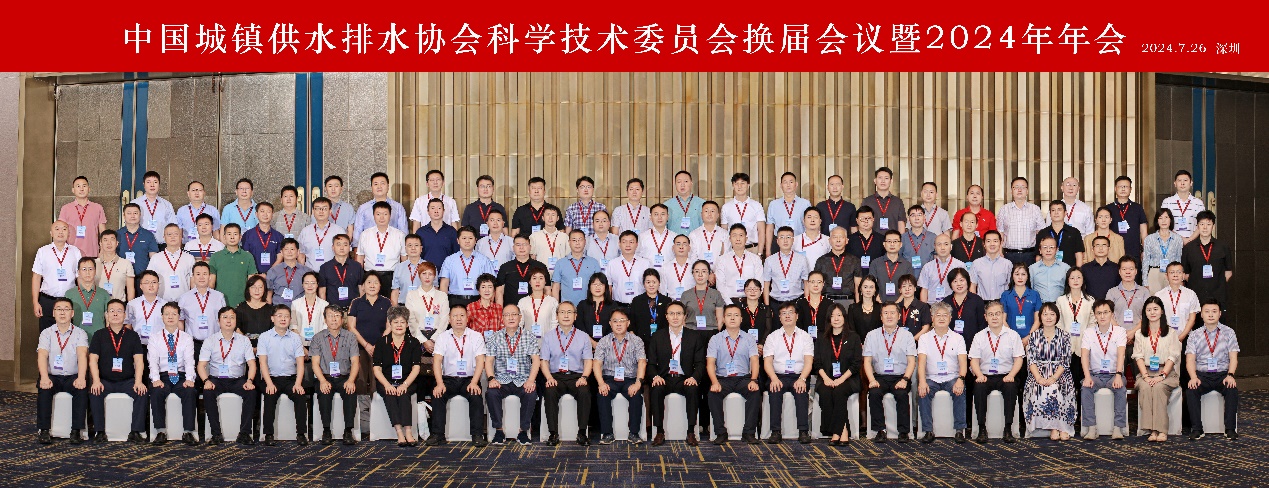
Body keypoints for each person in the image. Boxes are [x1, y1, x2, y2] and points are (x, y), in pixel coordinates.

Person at [426, 305, 489, 447]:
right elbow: (437, 361)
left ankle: (477, 435)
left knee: (475, 396)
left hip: (469, 379)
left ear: (467, 318)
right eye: (455, 316)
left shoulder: (476, 336)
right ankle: (437, 434)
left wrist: (475, 382)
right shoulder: (442, 337)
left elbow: (480, 361)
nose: (458, 319)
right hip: (448, 379)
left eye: (462, 315)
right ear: (449, 319)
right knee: (438, 394)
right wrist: (439, 383)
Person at [647, 301, 707, 446]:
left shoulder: (694, 336)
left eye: (679, 314)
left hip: (685, 378)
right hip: (664, 378)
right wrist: (655, 376)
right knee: (656, 389)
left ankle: (691, 432)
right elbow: (651, 364)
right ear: (666, 316)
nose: (675, 317)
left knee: (692, 389)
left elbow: (700, 363)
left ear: (684, 316)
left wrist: (694, 377)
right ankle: (659, 432)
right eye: (672, 313)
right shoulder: (657, 336)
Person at [86, 299, 147, 443]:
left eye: (119, 311)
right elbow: (93, 360)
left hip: (127, 381)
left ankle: (136, 431)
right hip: (105, 381)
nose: (115, 314)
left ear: (125, 315)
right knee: (95, 391)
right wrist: (96, 381)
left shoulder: (133, 336)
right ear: (106, 315)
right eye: (112, 311)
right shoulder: (99, 335)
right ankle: (99, 431)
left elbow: (139, 361)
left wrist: (138, 381)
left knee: (142, 392)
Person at [197, 307, 258, 445]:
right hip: (216, 380)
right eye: (225, 317)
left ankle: (244, 433)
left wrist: (249, 380)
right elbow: (201, 366)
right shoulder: (210, 340)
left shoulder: (244, 340)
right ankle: (216, 434)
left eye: (232, 317)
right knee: (208, 392)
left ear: (236, 321)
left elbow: (252, 364)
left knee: (251, 392)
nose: (229, 320)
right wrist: (206, 381)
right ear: (218, 321)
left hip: (238, 380)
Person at [705, 304, 763, 445]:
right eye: (729, 315)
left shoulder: (749, 338)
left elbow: (755, 361)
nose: (732, 318)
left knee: (755, 393)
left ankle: (749, 432)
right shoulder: (715, 339)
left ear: (741, 319)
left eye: (736, 315)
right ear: (723, 319)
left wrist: (753, 380)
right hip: (723, 379)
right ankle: (720, 432)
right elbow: (710, 363)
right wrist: (714, 382)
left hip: (743, 378)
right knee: (712, 395)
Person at [35, 297, 90, 444]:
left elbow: (82, 355)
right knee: (43, 387)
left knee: (81, 389)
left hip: (72, 376)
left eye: (66, 309)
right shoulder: (46, 333)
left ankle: (76, 431)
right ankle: (44, 430)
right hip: (53, 376)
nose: (62, 312)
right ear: (53, 313)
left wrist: (81, 377)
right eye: (59, 309)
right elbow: (42, 355)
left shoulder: (80, 333)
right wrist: (44, 377)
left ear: (72, 313)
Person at [483, 303, 539, 446]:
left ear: (520, 317)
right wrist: (491, 378)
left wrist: (531, 380)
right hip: (502, 380)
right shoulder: (495, 337)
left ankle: (523, 431)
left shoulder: (529, 336)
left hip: (523, 380)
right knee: (491, 393)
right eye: (507, 315)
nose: (511, 318)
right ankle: (499, 430)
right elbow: (489, 361)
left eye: (514, 314)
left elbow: (536, 360)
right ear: (502, 319)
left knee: (531, 393)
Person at [968, 301, 1024, 443]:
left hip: (1006, 375)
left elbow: (1018, 359)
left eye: (997, 314)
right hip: (985, 376)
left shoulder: (1013, 335)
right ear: (985, 317)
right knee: (979, 388)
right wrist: (979, 375)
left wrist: (1011, 375)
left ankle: (1008, 429)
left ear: (1003, 315)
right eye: (991, 314)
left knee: (1011, 388)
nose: (994, 317)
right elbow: (974, 360)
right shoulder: (979, 336)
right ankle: (982, 429)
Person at [540, 301, 594, 446]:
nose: (566, 315)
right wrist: (549, 378)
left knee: (584, 391)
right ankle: (553, 434)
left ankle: (582, 433)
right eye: (562, 312)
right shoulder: (548, 336)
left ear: (575, 316)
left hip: (577, 376)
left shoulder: (583, 336)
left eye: (569, 312)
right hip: (556, 376)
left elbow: (588, 361)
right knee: (550, 391)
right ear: (556, 316)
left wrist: (584, 377)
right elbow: (543, 361)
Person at [861, 302, 916, 443]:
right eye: (886, 313)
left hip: (900, 376)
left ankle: (903, 431)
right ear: (881, 317)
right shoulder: (872, 335)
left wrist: (905, 379)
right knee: (874, 393)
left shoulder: (907, 335)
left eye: (892, 313)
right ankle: (880, 430)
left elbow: (911, 361)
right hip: (880, 376)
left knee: (901, 394)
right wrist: (872, 380)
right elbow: (867, 361)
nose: (889, 316)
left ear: (899, 316)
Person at [1185, 299, 1239, 440]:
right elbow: (1190, 359)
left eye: (1214, 311)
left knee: (1232, 389)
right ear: (1201, 314)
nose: (1210, 315)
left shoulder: (1229, 332)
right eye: (1207, 311)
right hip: (1202, 375)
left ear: (1220, 313)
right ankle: (1197, 429)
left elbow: (1233, 357)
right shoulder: (1194, 335)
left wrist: (1231, 375)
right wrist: (1193, 377)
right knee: (1191, 390)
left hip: (1222, 375)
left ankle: (1230, 429)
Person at [593, 309, 647, 445]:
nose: (618, 324)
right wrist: (601, 383)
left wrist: (638, 383)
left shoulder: (636, 341)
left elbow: (642, 362)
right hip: (610, 378)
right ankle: (607, 433)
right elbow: (597, 363)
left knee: (636, 395)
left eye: (622, 321)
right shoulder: (604, 341)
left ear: (628, 323)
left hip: (630, 378)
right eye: (615, 321)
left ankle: (634, 433)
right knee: (602, 394)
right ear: (610, 323)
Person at [256, 305, 309, 446]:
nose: (283, 319)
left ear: (290, 319)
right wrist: (269, 383)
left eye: (286, 316)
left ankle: (301, 434)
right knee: (269, 395)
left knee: (300, 396)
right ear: (272, 318)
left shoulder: (295, 338)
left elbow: (300, 364)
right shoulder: (264, 337)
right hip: (271, 378)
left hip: (291, 378)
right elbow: (262, 363)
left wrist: (298, 383)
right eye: (279, 315)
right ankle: (268, 434)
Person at [915, 301, 968, 444]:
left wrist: (960, 379)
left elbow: (963, 363)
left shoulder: (958, 338)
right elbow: (921, 363)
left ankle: (959, 430)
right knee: (923, 392)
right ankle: (928, 431)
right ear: (932, 318)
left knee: (960, 390)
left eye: (945, 315)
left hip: (952, 377)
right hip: (931, 378)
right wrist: (922, 382)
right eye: (938, 315)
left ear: (950, 318)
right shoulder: (924, 338)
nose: (942, 318)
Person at [147, 302, 198, 445]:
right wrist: (155, 379)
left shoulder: (186, 338)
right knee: (156, 391)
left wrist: (189, 379)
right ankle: (160, 431)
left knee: (190, 391)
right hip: (163, 375)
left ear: (179, 317)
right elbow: (153, 361)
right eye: (167, 314)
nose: (170, 317)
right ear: (162, 317)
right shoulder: (154, 338)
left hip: (180, 375)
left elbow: (189, 361)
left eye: (174, 314)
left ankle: (188, 432)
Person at [1024, 302, 1077, 441]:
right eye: (1045, 314)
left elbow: (1065, 361)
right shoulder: (1034, 336)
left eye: (1052, 314)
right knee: (1042, 388)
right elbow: (1031, 361)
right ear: (1040, 317)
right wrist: (1038, 378)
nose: (1048, 317)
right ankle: (1054, 428)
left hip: (1060, 374)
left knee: (1055, 388)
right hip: (1038, 374)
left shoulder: (1064, 336)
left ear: (1057, 317)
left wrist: (1054, 377)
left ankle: (1062, 427)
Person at [372, 306, 423, 446]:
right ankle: (399, 432)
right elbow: (377, 369)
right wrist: (387, 385)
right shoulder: (382, 343)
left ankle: (408, 431)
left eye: (402, 322)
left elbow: (416, 368)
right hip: (386, 381)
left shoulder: (414, 342)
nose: (399, 325)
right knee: (390, 394)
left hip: (407, 381)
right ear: (390, 324)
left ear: (407, 324)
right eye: (395, 322)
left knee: (403, 393)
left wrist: (405, 384)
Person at [1080, 300, 1128, 440]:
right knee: (1085, 388)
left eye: (1106, 312)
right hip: (1095, 375)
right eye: (1099, 313)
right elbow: (1084, 356)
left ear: (1112, 314)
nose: (1102, 316)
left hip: (1114, 374)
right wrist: (1087, 377)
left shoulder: (1120, 331)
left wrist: (1118, 375)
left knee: (1120, 389)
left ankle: (1118, 428)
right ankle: (1091, 428)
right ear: (1094, 315)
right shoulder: (1088, 332)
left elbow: (1121, 354)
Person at [1133, 296, 1179, 442]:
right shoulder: (1139, 334)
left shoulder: (1171, 332)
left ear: (1162, 311)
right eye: (1149, 310)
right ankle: (1152, 430)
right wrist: (1145, 376)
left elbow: (1172, 356)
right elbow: (1138, 357)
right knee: (1146, 387)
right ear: (1145, 313)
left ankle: (1162, 430)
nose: (1152, 312)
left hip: (1167, 373)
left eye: (1155, 309)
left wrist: (1162, 375)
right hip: (1145, 372)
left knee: (1158, 387)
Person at [816, 303, 863, 445]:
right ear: (828, 319)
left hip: (849, 378)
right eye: (832, 316)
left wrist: (841, 379)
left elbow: (856, 364)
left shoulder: (854, 337)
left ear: (844, 317)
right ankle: (843, 430)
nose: (836, 319)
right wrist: (826, 378)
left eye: (839, 315)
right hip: (826, 378)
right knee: (825, 392)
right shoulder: (822, 338)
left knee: (839, 391)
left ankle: (836, 433)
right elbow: (817, 363)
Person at [347, 273, 389, 430]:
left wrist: (377, 345)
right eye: (369, 282)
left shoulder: (386, 302)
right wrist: (366, 345)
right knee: (361, 380)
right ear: (363, 286)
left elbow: (389, 326)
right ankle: (363, 423)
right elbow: (351, 327)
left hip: (380, 348)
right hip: (360, 347)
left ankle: (378, 423)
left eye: (375, 282)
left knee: (378, 380)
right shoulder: (357, 302)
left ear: (380, 286)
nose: (372, 285)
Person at [403, 262, 448, 396]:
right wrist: (424, 341)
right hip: (418, 338)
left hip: (438, 338)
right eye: (424, 274)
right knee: (420, 374)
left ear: (435, 276)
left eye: (430, 274)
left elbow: (444, 319)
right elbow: (411, 320)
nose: (427, 277)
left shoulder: (442, 296)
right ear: (419, 275)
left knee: (437, 372)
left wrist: (433, 340)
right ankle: (421, 405)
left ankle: (436, 404)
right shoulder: (411, 295)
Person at [1057, 267, 1095, 404]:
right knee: (1068, 382)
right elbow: (1059, 322)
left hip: (1083, 346)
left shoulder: (1090, 301)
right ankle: (1068, 410)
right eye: (1072, 278)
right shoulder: (1061, 300)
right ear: (1068, 281)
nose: (1075, 280)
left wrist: (1086, 339)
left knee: (1082, 381)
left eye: (1078, 277)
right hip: (1066, 346)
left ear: (1083, 280)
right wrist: (1064, 340)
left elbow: (1092, 323)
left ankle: (1081, 411)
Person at [1181, 210, 1232, 308]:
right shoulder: (1188, 248)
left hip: (1217, 296)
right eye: (1202, 224)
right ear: (1197, 226)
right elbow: (1186, 274)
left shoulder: (1223, 247)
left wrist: (1215, 284)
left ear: (1213, 226)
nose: (1205, 227)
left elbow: (1228, 272)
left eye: (1208, 224)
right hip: (1195, 296)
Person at [441, 227, 497, 307]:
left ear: (475, 240)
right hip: (455, 301)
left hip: (478, 301)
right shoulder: (449, 260)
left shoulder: (484, 260)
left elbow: (491, 283)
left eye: (470, 238)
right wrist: (444, 305)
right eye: (464, 238)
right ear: (458, 240)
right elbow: (444, 284)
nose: (467, 241)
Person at [179, 262, 227, 353]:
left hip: (215, 343)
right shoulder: (184, 298)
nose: (201, 277)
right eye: (198, 274)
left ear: (209, 276)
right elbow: (180, 321)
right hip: (192, 344)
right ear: (193, 276)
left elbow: (224, 320)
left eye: (205, 274)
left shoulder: (219, 297)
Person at [998, 177, 1046, 265]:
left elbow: (1041, 233)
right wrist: (1000, 251)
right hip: (1009, 255)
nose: (1019, 190)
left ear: (1027, 191)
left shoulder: (1035, 209)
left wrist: (1039, 254)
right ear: (1011, 191)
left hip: (1030, 255)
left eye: (1023, 187)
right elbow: (1000, 232)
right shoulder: (1004, 209)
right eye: (1016, 187)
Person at [357, 201, 408, 283]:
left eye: (385, 214)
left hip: (392, 276)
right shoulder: (365, 234)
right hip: (370, 277)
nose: (381, 217)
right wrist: (360, 279)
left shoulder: (399, 235)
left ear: (390, 216)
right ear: (373, 216)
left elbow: (404, 258)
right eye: (378, 214)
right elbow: (360, 257)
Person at [208, 224, 256, 307]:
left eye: (235, 234)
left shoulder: (248, 256)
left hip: (243, 303)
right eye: (229, 234)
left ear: (240, 236)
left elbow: (252, 282)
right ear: (224, 237)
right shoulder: (215, 257)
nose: (232, 237)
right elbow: (211, 283)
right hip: (220, 303)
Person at [59, 176, 109, 257]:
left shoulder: (98, 208)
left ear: (89, 189)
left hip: (92, 252)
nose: (81, 189)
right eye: (78, 186)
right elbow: (61, 231)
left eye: (84, 186)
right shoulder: (65, 208)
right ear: (73, 190)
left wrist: (103, 250)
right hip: (71, 254)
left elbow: (103, 232)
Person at [764, 227, 810, 311]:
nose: (785, 240)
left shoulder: (802, 259)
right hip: (776, 303)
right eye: (782, 237)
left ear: (793, 240)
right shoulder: (769, 260)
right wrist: (767, 307)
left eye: (788, 237)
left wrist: (807, 305)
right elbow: (766, 285)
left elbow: (806, 283)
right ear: (777, 241)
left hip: (796, 302)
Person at [814, 227, 862, 308]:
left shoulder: (854, 260)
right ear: (829, 240)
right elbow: (816, 285)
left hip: (848, 301)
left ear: (846, 240)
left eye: (841, 237)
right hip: (826, 301)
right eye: (835, 237)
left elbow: (858, 286)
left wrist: (858, 307)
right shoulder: (821, 261)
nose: (838, 240)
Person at [551, 230, 602, 306]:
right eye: (574, 240)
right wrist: (556, 307)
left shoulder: (593, 262)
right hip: (567, 308)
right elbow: (556, 287)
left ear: (585, 242)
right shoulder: (560, 263)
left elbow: (599, 285)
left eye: (580, 240)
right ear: (569, 242)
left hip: (589, 307)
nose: (577, 243)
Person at [720, 173, 767, 255]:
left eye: (742, 183)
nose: (739, 186)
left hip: (752, 249)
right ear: (733, 186)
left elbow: (761, 231)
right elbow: (724, 232)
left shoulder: (757, 206)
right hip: (732, 250)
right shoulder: (726, 207)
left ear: (748, 185)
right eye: (736, 184)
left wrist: (760, 253)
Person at [714, 225, 763, 303]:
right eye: (734, 235)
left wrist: (752, 302)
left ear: (746, 239)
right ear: (730, 239)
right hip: (729, 302)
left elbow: (760, 283)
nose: (738, 239)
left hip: (751, 302)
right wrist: (730, 304)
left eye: (741, 235)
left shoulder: (755, 259)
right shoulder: (722, 260)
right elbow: (720, 286)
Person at [497, 235, 550, 306]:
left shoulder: (540, 266)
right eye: (518, 245)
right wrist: (500, 310)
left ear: (530, 247)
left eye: (524, 244)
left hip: (535, 308)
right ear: (513, 248)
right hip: (511, 310)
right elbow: (499, 292)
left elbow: (547, 289)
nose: (521, 247)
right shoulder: (505, 267)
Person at [352, 172, 408, 239]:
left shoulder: (398, 207)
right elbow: (358, 231)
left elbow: (403, 231)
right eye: (376, 184)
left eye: (382, 183)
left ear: (388, 186)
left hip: (392, 244)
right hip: (369, 244)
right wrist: (356, 244)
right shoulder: (363, 208)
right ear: (371, 187)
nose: (379, 187)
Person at [117, 203, 161, 289]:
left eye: (135, 213)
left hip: (142, 279)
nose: (132, 216)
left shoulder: (148, 235)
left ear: (140, 215)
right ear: (124, 215)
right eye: (129, 213)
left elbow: (154, 258)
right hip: (121, 278)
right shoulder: (117, 235)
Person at [147, 225, 195, 302]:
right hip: (161, 302)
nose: (173, 237)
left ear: (181, 236)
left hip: (184, 302)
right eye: (169, 234)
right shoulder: (156, 258)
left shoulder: (189, 258)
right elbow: (149, 280)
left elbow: (193, 282)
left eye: (176, 234)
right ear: (164, 237)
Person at [766, 172, 813, 249]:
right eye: (785, 182)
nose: (788, 185)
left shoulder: (805, 204)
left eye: (791, 182)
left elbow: (810, 225)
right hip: (779, 244)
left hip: (800, 242)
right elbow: (770, 228)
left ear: (796, 184)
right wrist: (768, 249)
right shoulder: (773, 204)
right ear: (781, 185)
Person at [1107, 176, 1149, 261]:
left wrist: (1145, 250)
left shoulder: (1137, 208)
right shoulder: (1108, 208)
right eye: (1120, 186)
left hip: (1134, 250)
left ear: (1130, 189)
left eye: (1126, 186)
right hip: (1113, 251)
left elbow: (1144, 232)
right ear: (1115, 188)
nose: (1123, 189)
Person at [297, 197, 346, 269]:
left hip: (333, 272)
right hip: (310, 273)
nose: (321, 211)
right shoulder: (305, 231)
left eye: (324, 208)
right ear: (313, 211)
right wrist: (303, 271)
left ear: (330, 211)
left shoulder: (339, 231)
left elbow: (344, 254)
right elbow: (301, 253)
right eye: (317, 208)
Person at [66, 257, 109, 338]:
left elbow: (108, 319)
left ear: (95, 271)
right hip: (76, 338)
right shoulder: (69, 294)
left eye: (90, 269)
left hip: (99, 338)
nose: (87, 272)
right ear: (78, 272)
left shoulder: (104, 294)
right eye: (84, 269)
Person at [317, 234, 364, 308]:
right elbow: (322, 291)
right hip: (332, 310)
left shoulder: (357, 266)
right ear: (333, 247)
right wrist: (325, 309)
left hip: (353, 310)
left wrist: (360, 308)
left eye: (345, 245)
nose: (342, 248)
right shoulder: (325, 267)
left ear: (349, 247)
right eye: (338, 244)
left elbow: (362, 289)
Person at [1143, 208, 1183, 294]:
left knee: (1171, 299)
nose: (1163, 221)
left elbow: (1179, 259)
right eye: (1160, 218)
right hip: (1154, 272)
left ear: (1170, 220)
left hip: (1172, 273)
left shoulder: (1178, 239)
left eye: (1166, 217)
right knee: (1154, 299)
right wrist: (1145, 282)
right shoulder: (1149, 239)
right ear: (1157, 221)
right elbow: (1145, 261)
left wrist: (1180, 278)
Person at [1156, 263, 1200, 339]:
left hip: (1186, 337)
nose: (1175, 275)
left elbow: (1192, 319)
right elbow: (1156, 318)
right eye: (1172, 272)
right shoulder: (1159, 295)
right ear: (1166, 276)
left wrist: (1181, 337)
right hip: (1164, 338)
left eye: (1179, 272)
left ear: (1183, 275)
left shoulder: (1191, 294)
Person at [918, 234, 965, 304]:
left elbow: (964, 290)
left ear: (951, 247)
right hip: (932, 306)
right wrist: (924, 308)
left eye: (946, 244)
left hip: (953, 305)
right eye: (939, 244)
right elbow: (924, 290)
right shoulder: (927, 267)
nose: (942, 248)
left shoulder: (960, 266)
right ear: (935, 247)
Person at [869, 230, 914, 304]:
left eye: (895, 241)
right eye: (889, 241)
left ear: (900, 244)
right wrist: (880, 303)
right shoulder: (875, 263)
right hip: (879, 304)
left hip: (901, 305)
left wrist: (896, 305)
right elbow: (871, 285)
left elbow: (909, 288)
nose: (892, 244)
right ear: (884, 244)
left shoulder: (907, 265)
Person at [1107, 257, 1146, 339]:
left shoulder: (1144, 291)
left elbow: (1147, 315)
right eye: (1124, 269)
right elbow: (1108, 315)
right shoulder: (1111, 292)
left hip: (1140, 336)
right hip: (1116, 337)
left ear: (1136, 271)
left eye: (1131, 269)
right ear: (1119, 271)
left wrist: (1133, 332)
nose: (1128, 272)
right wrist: (1121, 333)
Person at [1161, 170, 1205, 244]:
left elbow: (1202, 224)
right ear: (1175, 183)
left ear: (1191, 183)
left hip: (1193, 243)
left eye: (1185, 180)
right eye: (1179, 180)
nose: (1182, 183)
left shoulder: (1198, 203)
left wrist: (1190, 240)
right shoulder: (1167, 202)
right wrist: (1181, 239)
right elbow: (1163, 224)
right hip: (1172, 243)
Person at [1000, 264, 1042, 341]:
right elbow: (1002, 319)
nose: (1020, 277)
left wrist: (1029, 337)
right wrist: (1012, 337)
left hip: (1031, 338)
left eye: (1023, 274)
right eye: (1017, 274)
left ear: (1027, 276)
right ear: (1012, 276)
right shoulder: (1005, 295)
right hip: (1010, 338)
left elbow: (1038, 320)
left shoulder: (1035, 294)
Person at [629, 269, 671, 346]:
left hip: (662, 341)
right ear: (644, 284)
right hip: (641, 342)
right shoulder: (637, 301)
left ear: (659, 283)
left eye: (654, 282)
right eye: (648, 282)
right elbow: (632, 323)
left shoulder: (666, 301)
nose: (651, 285)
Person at [1038, 200, 1085, 268]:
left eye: (1059, 210)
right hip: (1047, 271)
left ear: (1065, 213)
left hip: (1069, 271)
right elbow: (1038, 256)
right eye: (1053, 210)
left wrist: (1077, 271)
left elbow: (1079, 255)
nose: (1056, 213)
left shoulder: (1074, 232)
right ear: (1050, 213)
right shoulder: (1042, 233)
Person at [265, 239, 312, 305]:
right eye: (286, 249)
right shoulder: (273, 271)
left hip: (300, 309)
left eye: (292, 249)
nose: (289, 252)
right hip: (279, 309)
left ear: (298, 252)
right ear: (281, 252)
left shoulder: (307, 271)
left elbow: (312, 294)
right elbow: (269, 294)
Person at [241, 202, 284, 274]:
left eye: (268, 212)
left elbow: (279, 259)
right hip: (253, 276)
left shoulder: (279, 236)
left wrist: (268, 274)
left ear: (272, 214)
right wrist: (255, 274)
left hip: (273, 275)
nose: (265, 214)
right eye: (262, 211)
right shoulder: (248, 235)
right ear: (256, 214)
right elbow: (246, 257)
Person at [860, 167, 906, 234]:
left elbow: (901, 223)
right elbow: (862, 223)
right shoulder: (867, 201)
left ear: (891, 181)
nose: (883, 181)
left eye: (886, 178)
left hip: (892, 239)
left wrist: (900, 239)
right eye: (880, 178)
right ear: (875, 180)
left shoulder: (898, 202)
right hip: (872, 239)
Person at [125, 271, 165, 347]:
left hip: (159, 346)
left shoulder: (165, 305)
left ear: (158, 285)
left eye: (154, 282)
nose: (151, 285)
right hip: (138, 345)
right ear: (141, 286)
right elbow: (128, 326)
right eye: (147, 282)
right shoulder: (132, 304)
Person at [970, 231, 1013, 301]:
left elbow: (1010, 286)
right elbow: (973, 286)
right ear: (984, 244)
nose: (992, 244)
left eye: (995, 241)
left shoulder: (1007, 264)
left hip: (1002, 303)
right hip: (983, 303)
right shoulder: (976, 263)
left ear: (1000, 243)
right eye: (988, 241)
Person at [416, 199, 459, 268]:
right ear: (428, 212)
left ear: (443, 211)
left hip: (447, 271)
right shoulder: (421, 232)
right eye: (433, 208)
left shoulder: (451, 231)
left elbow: (456, 254)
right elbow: (417, 255)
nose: (436, 211)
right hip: (426, 272)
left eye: (439, 208)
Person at [131, 171, 176, 236]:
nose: (152, 185)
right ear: (144, 185)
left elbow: (173, 226)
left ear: (159, 185)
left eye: (155, 182)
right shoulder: (134, 203)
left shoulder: (167, 205)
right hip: (140, 241)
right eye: (148, 182)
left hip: (161, 241)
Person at [517, 268, 558, 338]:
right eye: (534, 278)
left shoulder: (552, 301)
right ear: (530, 282)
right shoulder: (522, 302)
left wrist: (550, 339)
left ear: (545, 282)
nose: (537, 281)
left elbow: (554, 324)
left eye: (541, 278)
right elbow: (520, 324)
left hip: (548, 341)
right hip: (528, 341)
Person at [95, 232, 136, 302]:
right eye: (105, 240)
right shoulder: (94, 263)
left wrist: (130, 306)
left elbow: (130, 289)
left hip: (119, 304)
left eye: (112, 239)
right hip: (98, 304)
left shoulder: (126, 263)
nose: (109, 243)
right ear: (100, 244)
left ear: (117, 243)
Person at [1029, 235, 1071, 303]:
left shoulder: (1066, 268)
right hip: (1039, 305)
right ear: (1040, 250)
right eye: (1045, 247)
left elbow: (1069, 290)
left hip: (1060, 305)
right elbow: (1029, 291)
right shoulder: (1032, 269)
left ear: (1057, 250)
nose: (1048, 250)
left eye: (1051, 247)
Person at [290, 272, 328, 345]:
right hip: (300, 344)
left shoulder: (325, 305)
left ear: (317, 284)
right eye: (306, 283)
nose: (309, 286)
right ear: (302, 285)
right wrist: (300, 345)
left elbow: (325, 326)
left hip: (320, 344)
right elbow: (293, 326)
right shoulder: (295, 303)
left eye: (313, 283)